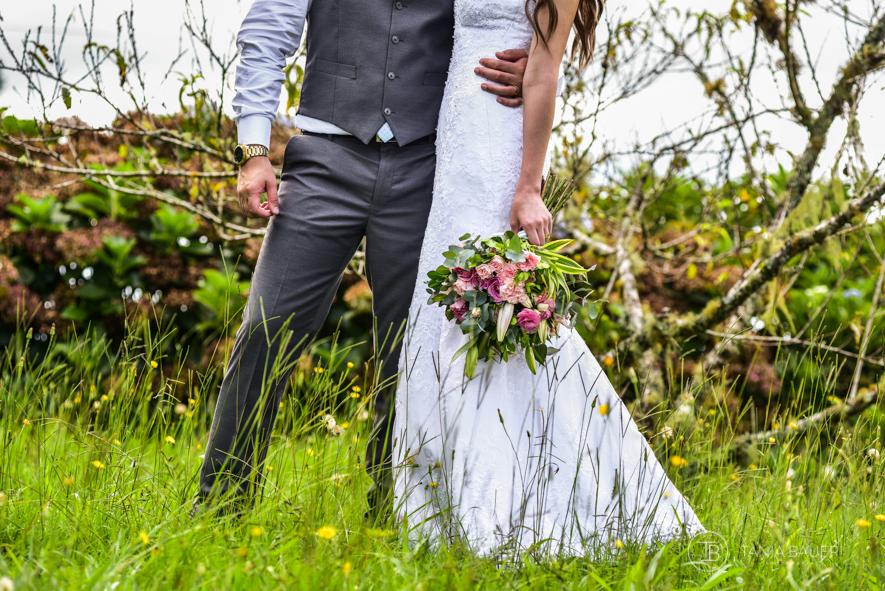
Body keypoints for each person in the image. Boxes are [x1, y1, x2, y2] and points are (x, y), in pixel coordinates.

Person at [392, 0, 706, 555]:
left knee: (497, 313)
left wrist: (528, 187)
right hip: (455, 140)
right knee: (447, 306)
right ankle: (438, 510)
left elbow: (544, 69)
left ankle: (510, 505)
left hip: (498, 145)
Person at [196, 0, 531, 517]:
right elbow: (267, 31)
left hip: (428, 166)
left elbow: (525, 16)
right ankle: (220, 507)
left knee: (409, 349)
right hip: (324, 161)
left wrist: (533, 60)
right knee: (268, 327)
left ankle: (390, 516)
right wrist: (253, 149)